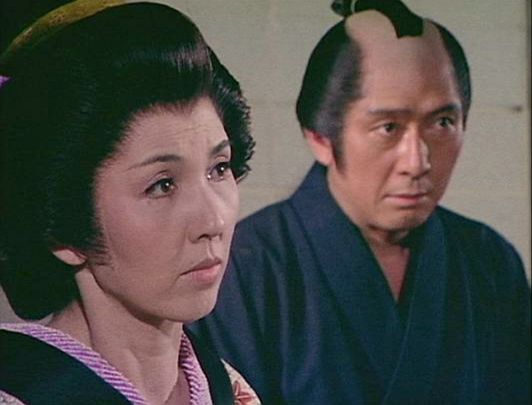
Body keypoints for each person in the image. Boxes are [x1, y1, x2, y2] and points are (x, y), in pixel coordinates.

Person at [190, 0, 531, 403]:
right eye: (388, 127)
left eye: (442, 123)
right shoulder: (244, 271)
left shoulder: (489, 260)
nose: (417, 162)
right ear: (320, 137)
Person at [0, 1, 260, 403]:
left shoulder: (229, 388)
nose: (213, 221)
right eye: (162, 185)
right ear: (65, 230)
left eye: (219, 168)